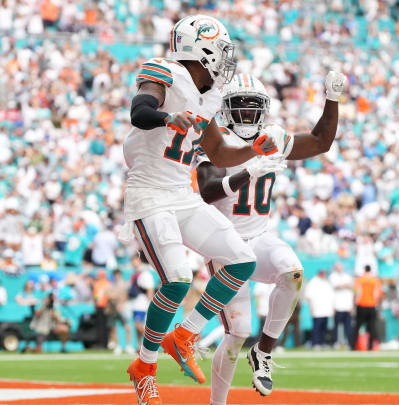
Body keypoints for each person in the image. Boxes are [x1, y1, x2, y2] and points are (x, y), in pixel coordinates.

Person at [123, 15, 281, 405]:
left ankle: (186, 334)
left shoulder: (212, 93)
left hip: (181, 192)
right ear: (201, 48)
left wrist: (252, 151)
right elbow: (140, 110)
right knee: (177, 280)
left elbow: (219, 152)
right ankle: (144, 366)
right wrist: (167, 117)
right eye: (222, 50)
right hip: (149, 193)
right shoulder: (167, 74)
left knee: (240, 260)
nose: (226, 59)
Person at [194, 70, 345, 401]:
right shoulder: (216, 139)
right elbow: (207, 191)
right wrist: (248, 172)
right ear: (225, 109)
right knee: (237, 333)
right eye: (240, 107)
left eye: (253, 107)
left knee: (292, 272)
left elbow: (321, 141)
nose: (248, 114)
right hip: (225, 244)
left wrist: (332, 99)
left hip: (259, 236)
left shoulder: (272, 137)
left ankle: (263, 352)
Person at [354, 265, 383, 351]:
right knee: (372, 327)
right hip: (372, 305)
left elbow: (356, 292)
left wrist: (354, 304)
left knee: (357, 326)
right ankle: (371, 346)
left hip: (361, 305)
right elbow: (378, 294)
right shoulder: (375, 280)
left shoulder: (359, 279)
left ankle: (353, 345)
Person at [106, 270, 134, 355]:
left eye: (118, 274)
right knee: (113, 328)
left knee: (127, 327)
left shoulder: (124, 284)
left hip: (122, 308)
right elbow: (108, 295)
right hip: (112, 308)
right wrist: (116, 298)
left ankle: (129, 345)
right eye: (115, 275)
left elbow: (126, 296)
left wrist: (121, 304)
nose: (116, 276)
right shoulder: (110, 284)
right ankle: (117, 346)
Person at [305, 270, 334, 349]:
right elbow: (309, 296)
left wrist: (332, 308)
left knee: (324, 328)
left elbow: (330, 296)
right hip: (317, 309)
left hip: (326, 309)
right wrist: (311, 307)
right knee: (317, 327)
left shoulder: (326, 283)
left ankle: (323, 342)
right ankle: (315, 343)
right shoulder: (313, 283)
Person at [329, 263, 354, 349]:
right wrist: (346, 285)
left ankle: (348, 342)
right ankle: (336, 342)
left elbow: (352, 287)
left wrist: (352, 306)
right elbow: (336, 286)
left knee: (348, 326)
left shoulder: (347, 276)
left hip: (347, 306)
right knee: (337, 326)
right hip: (337, 305)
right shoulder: (333, 276)